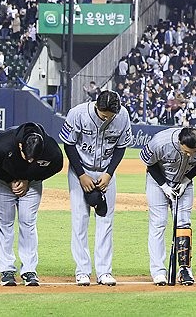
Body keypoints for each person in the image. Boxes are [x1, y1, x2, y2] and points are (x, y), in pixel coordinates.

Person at [60, 90, 132, 286]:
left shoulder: (123, 115)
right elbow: (69, 145)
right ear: (96, 106)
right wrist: (82, 175)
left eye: (110, 116)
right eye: (103, 114)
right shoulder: (78, 113)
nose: (106, 118)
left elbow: (120, 147)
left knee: (105, 221)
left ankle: (104, 272)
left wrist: (109, 174)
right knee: (80, 220)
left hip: (106, 173)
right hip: (79, 171)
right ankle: (82, 271)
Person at [0, 122, 64, 287]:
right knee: (4, 222)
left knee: (28, 221)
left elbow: (57, 166)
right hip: (1, 180)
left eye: (33, 158)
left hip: (31, 182)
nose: (29, 160)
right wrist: (9, 181)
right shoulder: (3, 144)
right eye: (26, 155)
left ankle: (29, 270)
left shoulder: (50, 149)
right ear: (20, 145)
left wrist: (29, 179)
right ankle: (6, 269)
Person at [141, 127, 196, 286]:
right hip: (158, 181)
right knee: (158, 223)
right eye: (186, 151)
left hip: (184, 181)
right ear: (179, 142)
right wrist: (164, 186)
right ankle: (158, 271)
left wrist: (187, 179)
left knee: (183, 222)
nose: (190, 155)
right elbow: (150, 164)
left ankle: (184, 269)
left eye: (193, 151)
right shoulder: (160, 142)